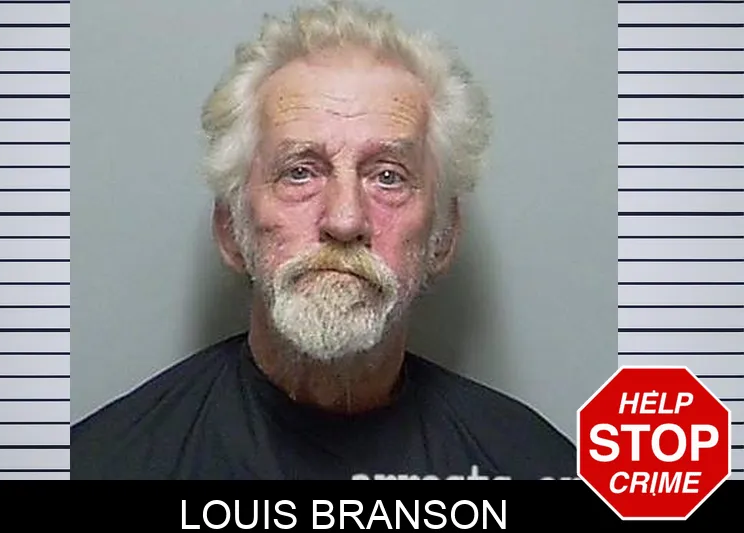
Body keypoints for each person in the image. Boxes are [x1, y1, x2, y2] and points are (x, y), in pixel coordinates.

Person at [71, 0, 576, 480]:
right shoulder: (104, 464)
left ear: (442, 237)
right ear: (231, 229)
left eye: (388, 176)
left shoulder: (534, 464)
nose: (345, 219)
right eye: (299, 172)